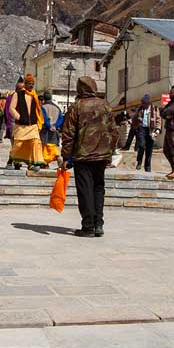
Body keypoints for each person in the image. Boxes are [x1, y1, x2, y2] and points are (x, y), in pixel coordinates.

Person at [60, 76, 117, 237]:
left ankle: (88, 226)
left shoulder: (77, 107)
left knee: (85, 190)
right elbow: (114, 131)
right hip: (102, 155)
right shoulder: (106, 106)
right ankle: (99, 223)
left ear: (80, 89)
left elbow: (68, 134)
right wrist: (110, 152)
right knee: (99, 188)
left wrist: (66, 157)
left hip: (83, 156)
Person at [7, 74, 46, 173]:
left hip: (32, 125)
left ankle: (33, 163)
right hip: (21, 125)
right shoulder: (18, 94)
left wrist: (38, 122)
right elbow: (11, 108)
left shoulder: (34, 95)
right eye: (29, 83)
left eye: (32, 84)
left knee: (35, 143)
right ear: (25, 84)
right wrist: (19, 117)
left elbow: (38, 110)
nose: (31, 85)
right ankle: (11, 160)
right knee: (18, 145)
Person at [131, 94, 161, 172]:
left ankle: (147, 166)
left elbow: (158, 119)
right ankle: (139, 161)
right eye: (143, 103)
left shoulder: (154, 109)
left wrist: (157, 129)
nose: (145, 105)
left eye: (146, 104)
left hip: (151, 130)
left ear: (149, 103)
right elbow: (134, 119)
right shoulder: (140, 109)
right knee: (141, 146)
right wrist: (136, 120)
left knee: (149, 149)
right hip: (142, 129)